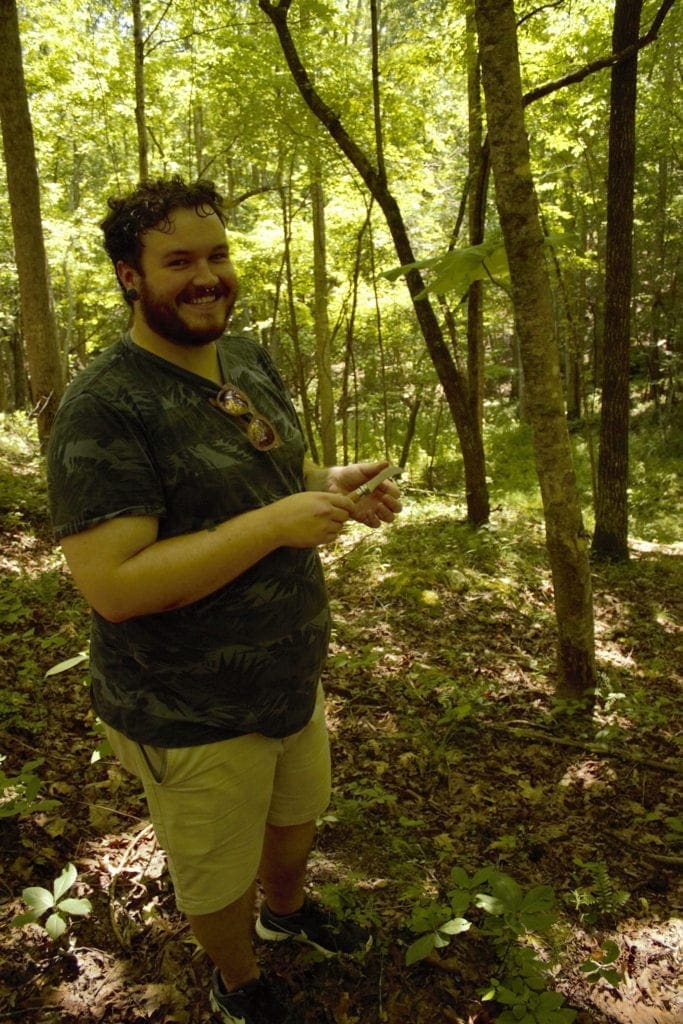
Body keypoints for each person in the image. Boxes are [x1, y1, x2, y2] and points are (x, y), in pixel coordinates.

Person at [46, 176, 401, 1024]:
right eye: (179, 262)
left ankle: (286, 919)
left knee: (295, 821)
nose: (207, 277)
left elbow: (265, 480)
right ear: (131, 275)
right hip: (189, 706)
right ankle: (238, 982)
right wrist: (278, 523)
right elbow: (114, 586)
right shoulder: (104, 408)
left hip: (287, 675)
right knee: (215, 865)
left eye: (217, 255)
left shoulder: (242, 356)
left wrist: (324, 487)